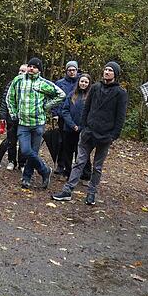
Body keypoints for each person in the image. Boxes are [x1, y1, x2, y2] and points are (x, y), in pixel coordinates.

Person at [52, 62, 127, 205]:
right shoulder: (95, 88)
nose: (106, 72)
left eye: (110, 70)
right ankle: (68, 190)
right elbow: (87, 108)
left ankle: (91, 193)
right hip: (88, 132)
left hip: (105, 135)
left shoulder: (120, 93)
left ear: (115, 74)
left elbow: (120, 117)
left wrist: (113, 136)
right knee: (79, 162)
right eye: (105, 69)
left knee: (97, 167)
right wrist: (85, 126)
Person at [6, 57, 66, 189]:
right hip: (23, 123)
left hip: (38, 123)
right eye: (30, 66)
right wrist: (13, 113)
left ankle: (26, 178)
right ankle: (45, 170)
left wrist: (46, 106)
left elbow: (61, 95)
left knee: (33, 151)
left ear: (39, 69)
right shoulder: (18, 81)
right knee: (26, 150)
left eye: (35, 67)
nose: (31, 68)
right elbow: (10, 97)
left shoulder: (43, 83)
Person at [57, 73, 92, 179]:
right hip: (69, 128)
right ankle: (67, 172)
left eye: (86, 82)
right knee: (68, 151)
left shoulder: (91, 97)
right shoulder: (72, 94)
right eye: (82, 81)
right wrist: (72, 125)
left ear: (89, 84)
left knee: (82, 153)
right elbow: (65, 110)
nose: (84, 84)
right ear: (78, 82)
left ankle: (85, 175)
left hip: (84, 130)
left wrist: (82, 126)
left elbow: (92, 113)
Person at [0, 64, 28, 170]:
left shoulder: (30, 86)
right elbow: (4, 101)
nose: (20, 72)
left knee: (23, 143)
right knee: (11, 140)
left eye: (23, 71)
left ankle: (22, 163)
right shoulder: (11, 84)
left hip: (24, 120)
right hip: (11, 118)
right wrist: (2, 116)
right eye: (20, 70)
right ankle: (11, 161)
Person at [53, 61, 79, 175]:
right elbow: (54, 98)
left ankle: (76, 167)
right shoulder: (60, 83)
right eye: (70, 70)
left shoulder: (81, 82)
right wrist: (54, 113)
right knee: (62, 141)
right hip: (62, 116)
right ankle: (61, 164)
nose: (72, 72)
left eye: (74, 70)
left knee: (78, 143)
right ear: (66, 71)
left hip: (77, 117)